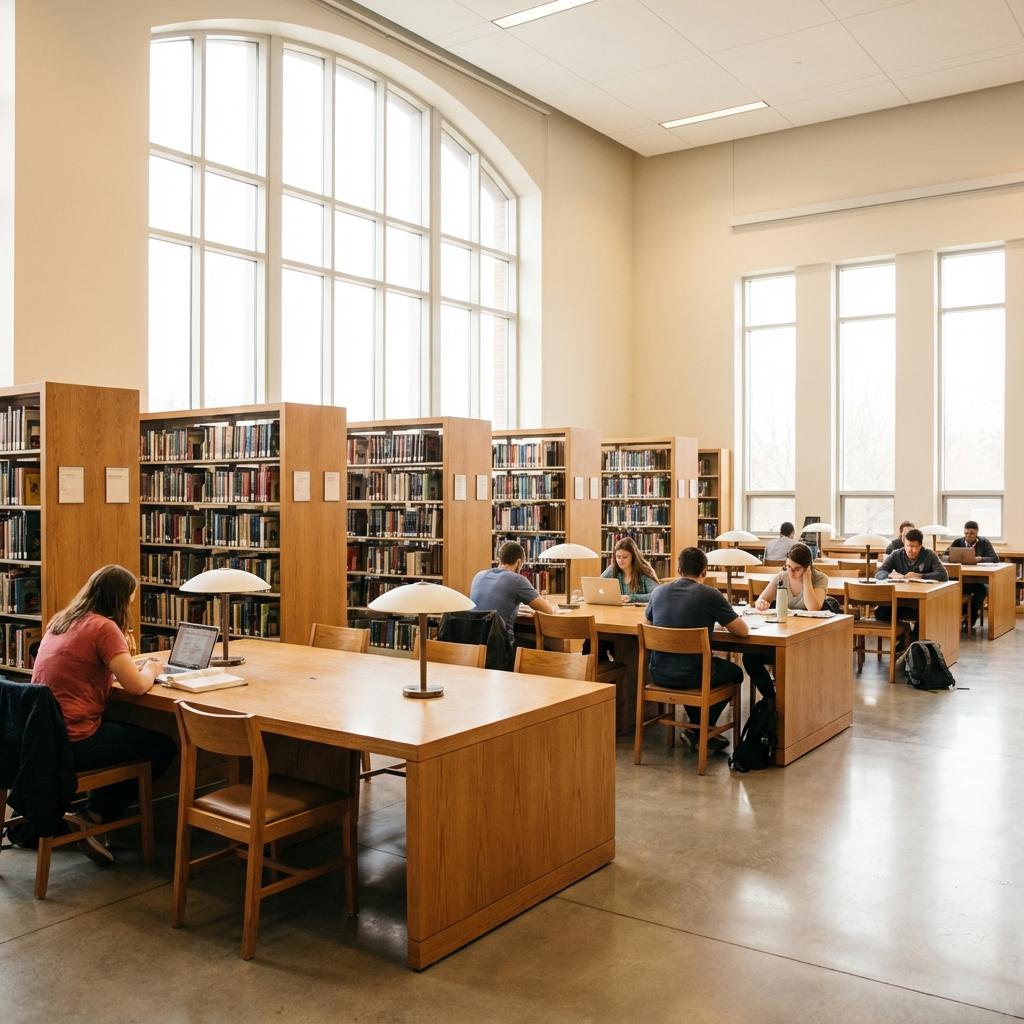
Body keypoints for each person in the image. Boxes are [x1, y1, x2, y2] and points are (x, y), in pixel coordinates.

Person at [30, 564, 177, 866]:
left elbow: (80, 668)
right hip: (76, 739)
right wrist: (151, 668)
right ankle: (94, 817)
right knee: (164, 746)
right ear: (119, 599)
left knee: (126, 732)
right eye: (130, 600)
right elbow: (136, 687)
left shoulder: (62, 621)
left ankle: (90, 815)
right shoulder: (104, 627)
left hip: (42, 736)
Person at [644, 547, 748, 753]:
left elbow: (647, 626)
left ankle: (697, 730)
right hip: (694, 676)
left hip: (658, 673)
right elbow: (742, 631)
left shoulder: (658, 592)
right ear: (705, 571)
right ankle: (701, 729)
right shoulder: (710, 594)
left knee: (699, 668)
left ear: (678, 568)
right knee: (735, 672)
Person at [744, 543, 828, 701]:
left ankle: (793, 701)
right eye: (788, 566)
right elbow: (761, 599)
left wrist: (807, 579)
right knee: (749, 658)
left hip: (806, 638)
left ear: (807, 567)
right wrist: (762, 603)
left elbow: (813, 608)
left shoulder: (820, 578)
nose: (790, 571)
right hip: (782, 633)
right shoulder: (782, 576)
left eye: (796, 569)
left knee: (792, 662)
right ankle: (773, 700)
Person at [469, 541, 557, 647]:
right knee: (549, 648)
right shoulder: (517, 580)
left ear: (499, 559)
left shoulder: (479, 575)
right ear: (519, 562)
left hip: (473, 644)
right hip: (500, 647)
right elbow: (548, 611)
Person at [947, 520, 998, 629]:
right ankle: (960, 616)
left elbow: (995, 558)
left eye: (971, 533)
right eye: (966, 533)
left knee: (981, 591)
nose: (968, 536)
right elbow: (946, 555)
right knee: (950, 590)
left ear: (977, 532)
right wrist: (951, 558)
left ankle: (972, 616)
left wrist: (981, 559)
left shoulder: (984, 542)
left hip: (977, 581)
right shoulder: (957, 542)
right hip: (960, 579)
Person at [600, 537, 660, 603]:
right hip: (617, 611)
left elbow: (657, 594)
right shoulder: (612, 569)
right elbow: (597, 586)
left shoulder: (644, 571)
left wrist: (631, 598)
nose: (620, 560)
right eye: (618, 557)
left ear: (633, 557)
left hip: (638, 612)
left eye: (625, 557)